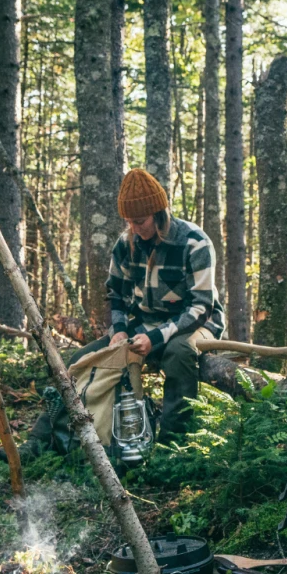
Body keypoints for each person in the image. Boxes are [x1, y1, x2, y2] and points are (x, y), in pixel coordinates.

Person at [69, 169, 223, 438]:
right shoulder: (125, 243)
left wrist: (155, 338)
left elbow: (201, 307)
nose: (134, 228)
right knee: (81, 359)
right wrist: (118, 330)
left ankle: (173, 444)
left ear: (159, 213)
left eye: (139, 221)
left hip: (195, 323)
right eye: (128, 221)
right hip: (145, 322)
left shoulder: (194, 243)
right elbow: (115, 294)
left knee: (178, 353)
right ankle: (48, 439)